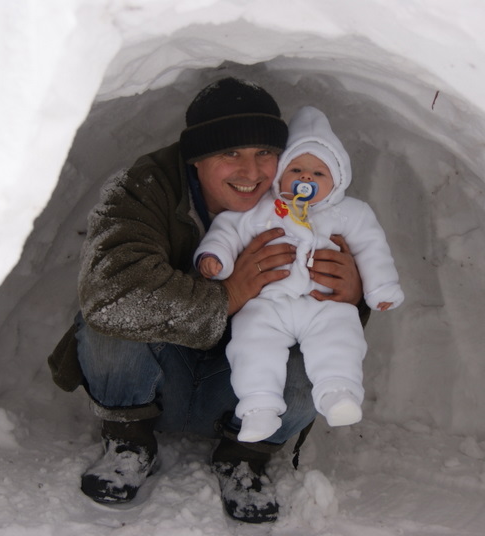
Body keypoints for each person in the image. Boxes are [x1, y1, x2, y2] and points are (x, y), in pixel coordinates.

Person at [47, 78, 368, 524]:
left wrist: (351, 297)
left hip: (244, 385)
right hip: (159, 373)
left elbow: (330, 326)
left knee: (312, 372)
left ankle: (244, 455)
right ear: (195, 159)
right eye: (228, 153)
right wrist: (229, 294)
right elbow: (111, 295)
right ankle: (130, 440)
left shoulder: (311, 201)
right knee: (108, 325)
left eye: (264, 153)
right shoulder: (143, 188)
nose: (251, 172)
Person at [195, 106, 404, 443]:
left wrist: (380, 288)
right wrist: (215, 257)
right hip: (268, 304)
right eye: (297, 169)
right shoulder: (263, 207)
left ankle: (338, 393)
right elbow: (227, 230)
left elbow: (371, 247)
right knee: (252, 344)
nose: (306, 179)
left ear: (338, 180)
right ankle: (258, 407)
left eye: (318, 174)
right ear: (281, 174)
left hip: (323, 303)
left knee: (340, 337)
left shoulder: (350, 213)